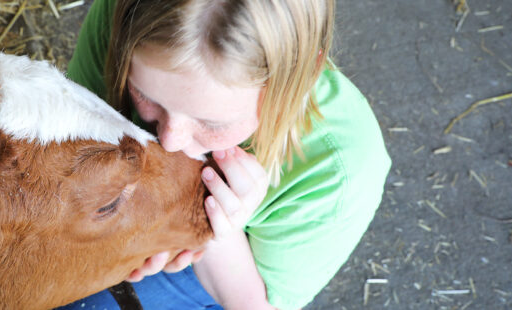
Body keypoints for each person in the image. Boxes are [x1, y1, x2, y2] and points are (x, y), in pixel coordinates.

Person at [57, 0, 391, 309]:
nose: (171, 140)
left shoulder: (338, 170)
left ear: (299, 78)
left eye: (211, 123)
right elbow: (71, 138)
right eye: (145, 96)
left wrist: (214, 229)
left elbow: (254, 304)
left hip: (224, 267)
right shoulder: (126, 9)